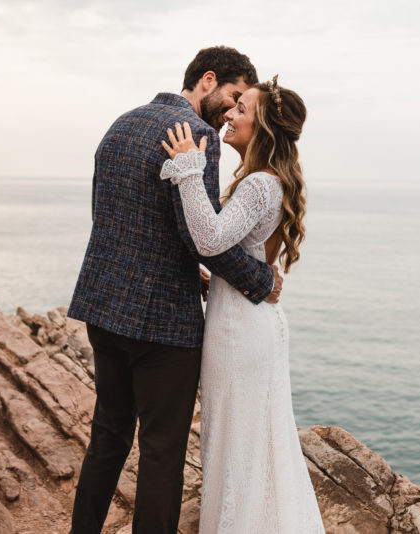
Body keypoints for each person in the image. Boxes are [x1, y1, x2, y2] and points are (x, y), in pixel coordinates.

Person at [67, 46, 283, 534]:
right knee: (162, 452)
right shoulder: (197, 136)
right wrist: (260, 280)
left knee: (107, 437)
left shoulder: (121, 123)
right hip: (162, 325)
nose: (231, 112)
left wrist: (187, 267)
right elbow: (202, 238)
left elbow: (122, 218)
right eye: (231, 97)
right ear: (207, 80)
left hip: (103, 308)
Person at [159, 76, 324, 534]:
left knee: (236, 444)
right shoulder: (264, 181)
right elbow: (239, 252)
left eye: (241, 110)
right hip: (246, 320)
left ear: (264, 129)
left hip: (240, 333)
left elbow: (209, 237)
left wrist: (190, 168)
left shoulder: (258, 185)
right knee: (247, 442)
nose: (228, 114)